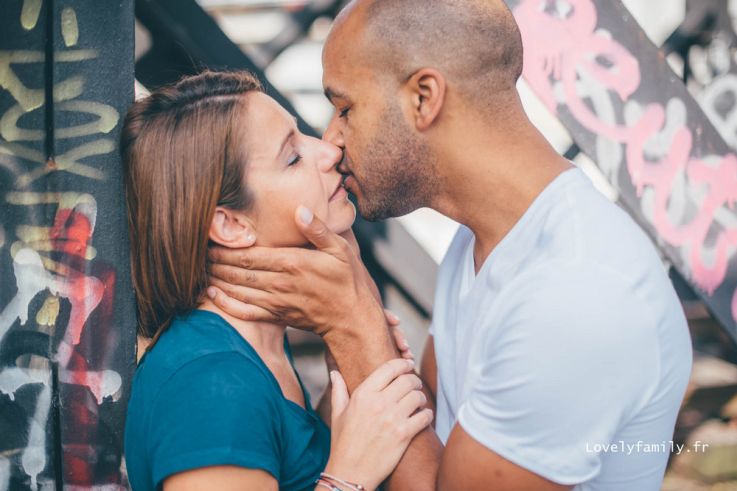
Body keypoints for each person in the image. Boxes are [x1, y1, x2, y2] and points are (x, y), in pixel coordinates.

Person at [206, 1, 694, 490]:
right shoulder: (480, 240)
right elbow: (432, 417)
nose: (331, 143)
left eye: (346, 108)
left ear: (424, 97)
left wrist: (354, 323)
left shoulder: (577, 291)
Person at [121, 70, 434, 491]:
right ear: (230, 225)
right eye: (292, 158)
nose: (327, 152)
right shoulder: (210, 384)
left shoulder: (259, 347)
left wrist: (342, 398)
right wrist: (350, 474)